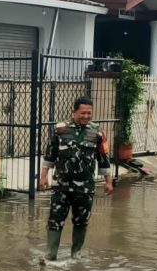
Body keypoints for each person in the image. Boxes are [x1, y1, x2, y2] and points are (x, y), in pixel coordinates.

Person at [39, 96, 113, 261]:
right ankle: (50, 255)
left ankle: (76, 255)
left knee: (81, 221)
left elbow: (103, 158)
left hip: (85, 188)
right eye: (83, 113)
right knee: (55, 220)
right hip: (61, 186)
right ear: (74, 112)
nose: (86, 116)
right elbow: (50, 155)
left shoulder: (97, 133)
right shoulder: (60, 130)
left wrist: (108, 181)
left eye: (89, 113)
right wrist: (44, 177)